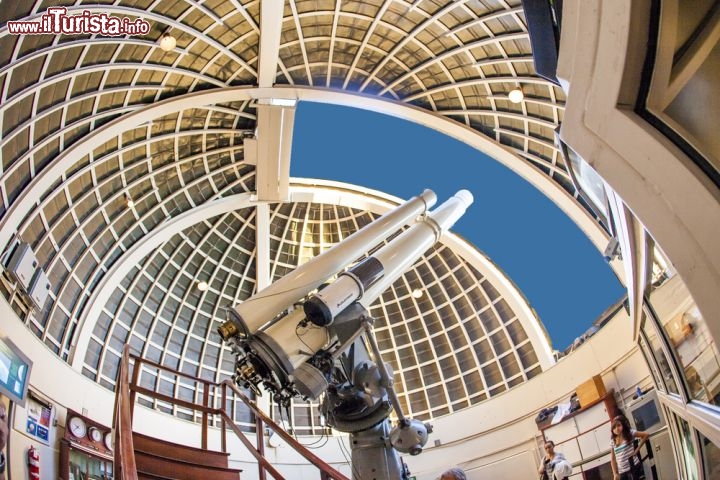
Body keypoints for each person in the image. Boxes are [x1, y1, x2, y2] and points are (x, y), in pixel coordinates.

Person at [610, 414, 649, 480]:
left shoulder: (630, 433)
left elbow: (646, 435)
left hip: (633, 466)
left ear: (623, 425)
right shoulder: (612, 440)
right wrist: (615, 474)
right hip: (622, 470)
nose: (616, 429)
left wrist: (636, 450)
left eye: (619, 425)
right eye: (614, 427)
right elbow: (613, 458)